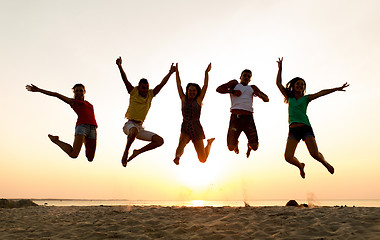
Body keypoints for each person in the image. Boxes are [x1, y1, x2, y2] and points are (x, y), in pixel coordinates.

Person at [276, 57, 349, 178]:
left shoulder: (306, 98)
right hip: (293, 130)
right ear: (293, 86)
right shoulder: (289, 97)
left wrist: (337, 89)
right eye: (298, 84)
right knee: (288, 157)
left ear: (304, 88)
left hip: (305, 128)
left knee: (314, 154)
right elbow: (278, 84)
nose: (300, 85)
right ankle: (300, 166)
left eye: (302, 84)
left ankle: (325, 163)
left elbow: (322, 92)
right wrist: (280, 68)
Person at [116, 56, 176, 167]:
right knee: (133, 131)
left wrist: (170, 72)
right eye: (143, 88)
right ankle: (126, 152)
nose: (144, 90)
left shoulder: (150, 94)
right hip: (129, 126)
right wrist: (120, 66)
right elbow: (125, 79)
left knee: (160, 141)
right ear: (139, 87)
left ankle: (137, 152)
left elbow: (161, 84)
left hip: (140, 128)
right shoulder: (133, 91)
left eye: (146, 87)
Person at [25, 83, 97, 162]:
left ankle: (82, 143)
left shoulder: (90, 104)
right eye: (76, 91)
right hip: (82, 127)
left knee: (90, 158)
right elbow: (56, 95)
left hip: (93, 129)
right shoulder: (73, 102)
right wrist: (39, 90)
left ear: (84, 91)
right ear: (74, 93)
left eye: (81, 90)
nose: (79, 92)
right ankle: (56, 140)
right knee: (74, 154)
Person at [216, 68, 269, 158]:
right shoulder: (235, 84)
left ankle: (249, 147)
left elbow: (266, 99)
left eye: (248, 76)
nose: (246, 77)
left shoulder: (252, 87)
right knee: (231, 147)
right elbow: (219, 89)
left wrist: (259, 94)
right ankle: (236, 144)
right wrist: (232, 91)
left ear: (250, 79)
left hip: (248, 118)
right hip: (235, 118)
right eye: (244, 75)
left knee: (255, 147)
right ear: (240, 76)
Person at [173, 63, 215, 165]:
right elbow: (178, 85)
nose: (192, 92)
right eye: (190, 90)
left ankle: (209, 144)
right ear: (187, 91)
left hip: (196, 128)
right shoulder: (183, 99)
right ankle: (177, 157)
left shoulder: (199, 100)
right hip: (185, 126)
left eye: (194, 90)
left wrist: (206, 72)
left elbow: (205, 85)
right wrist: (177, 72)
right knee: (181, 144)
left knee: (202, 159)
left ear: (197, 92)